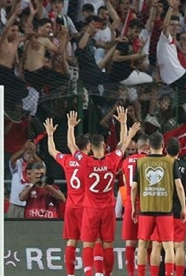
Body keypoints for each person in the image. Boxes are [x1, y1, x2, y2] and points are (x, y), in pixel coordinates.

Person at [76, 107, 139, 276]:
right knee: (107, 244)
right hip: (107, 209)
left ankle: (90, 273)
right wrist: (125, 124)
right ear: (104, 145)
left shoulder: (85, 161)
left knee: (88, 244)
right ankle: (107, 274)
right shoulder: (112, 160)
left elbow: (71, 146)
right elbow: (123, 145)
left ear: (90, 146)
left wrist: (70, 126)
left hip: (90, 209)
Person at [131, 132, 186, 276]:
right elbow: (179, 187)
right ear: (163, 146)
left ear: (149, 146)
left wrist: (133, 207)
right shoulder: (170, 162)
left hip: (146, 209)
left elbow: (134, 187)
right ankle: (169, 274)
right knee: (168, 246)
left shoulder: (141, 162)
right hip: (164, 210)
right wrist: (184, 208)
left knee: (143, 245)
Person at [46, 112, 89, 276]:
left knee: (72, 241)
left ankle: (70, 274)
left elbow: (51, 150)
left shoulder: (66, 160)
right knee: (88, 242)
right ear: (87, 147)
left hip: (71, 206)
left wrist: (51, 134)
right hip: (86, 207)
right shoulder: (88, 162)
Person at [120, 133, 150, 276]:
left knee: (130, 244)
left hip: (130, 206)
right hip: (146, 206)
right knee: (147, 243)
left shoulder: (126, 162)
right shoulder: (149, 161)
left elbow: (127, 184)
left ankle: (131, 273)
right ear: (147, 147)